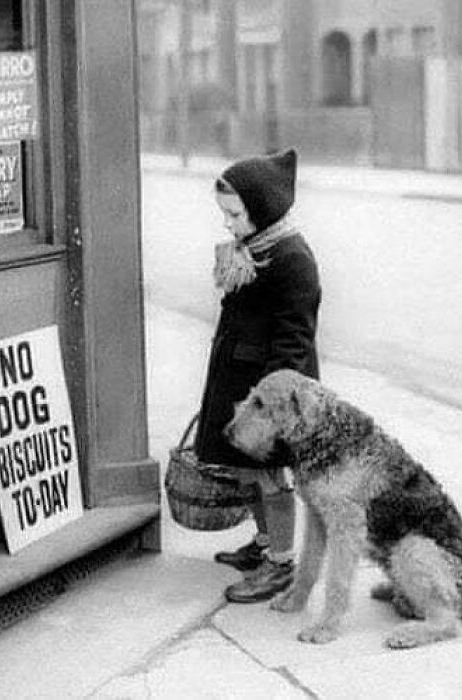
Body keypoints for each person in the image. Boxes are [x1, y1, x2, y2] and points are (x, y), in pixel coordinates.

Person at [194, 149, 321, 603]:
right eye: (224, 214)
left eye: (234, 214)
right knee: (243, 469)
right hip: (238, 381)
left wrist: (266, 410)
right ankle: (265, 542)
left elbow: (294, 342)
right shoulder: (254, 249)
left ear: (261, 210)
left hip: (271, 395)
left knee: (268, 475)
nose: (227, 224)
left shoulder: (292, 259)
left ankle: (281, 563)